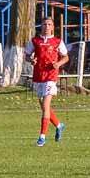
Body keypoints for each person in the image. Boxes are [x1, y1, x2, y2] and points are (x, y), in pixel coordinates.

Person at [25, 16, 69, 147]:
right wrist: (31, 60)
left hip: (51, 76)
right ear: (41, 26)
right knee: (45, 107)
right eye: (44, 24)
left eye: (49, 24)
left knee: (46, 104)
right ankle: (59, 125)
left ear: (52, 27)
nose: (46, 27)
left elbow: (66, 57)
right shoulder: (35, 41)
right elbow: (26, 55)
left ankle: (42, 137)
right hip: (39, 75)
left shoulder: (57, 41)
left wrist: (58, 63)